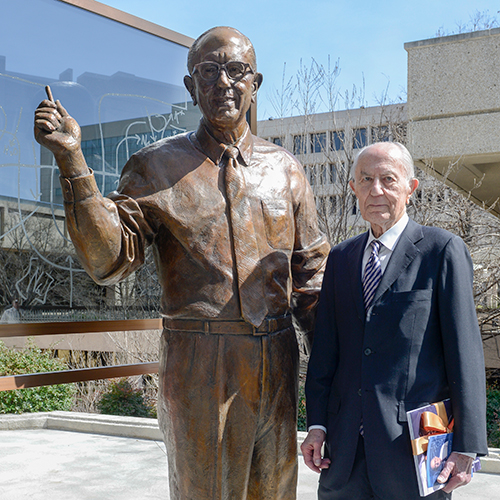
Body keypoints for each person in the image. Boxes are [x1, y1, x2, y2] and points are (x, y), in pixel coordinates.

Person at [34, 27, 329, 499]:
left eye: (236, 71)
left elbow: (313, 280)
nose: (224, 83)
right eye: (208, 72)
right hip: (198, 363)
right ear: (192, 88)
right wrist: (73, 164)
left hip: (276, 358)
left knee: (274, 492)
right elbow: (110, 260)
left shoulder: (287, 169)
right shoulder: (155, 166)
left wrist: (337, 384)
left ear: (255, 83)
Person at [301, 142, 488, 500]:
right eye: (366, 179)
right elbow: (325, 352)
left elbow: (465, 355)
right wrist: (318, 425)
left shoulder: (441, 251)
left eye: (388, 179)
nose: (377, 190)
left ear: (410, 188)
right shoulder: (341, 258)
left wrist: (468, 446)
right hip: (344, 456)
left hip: (416, 454)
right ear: (353, 187)